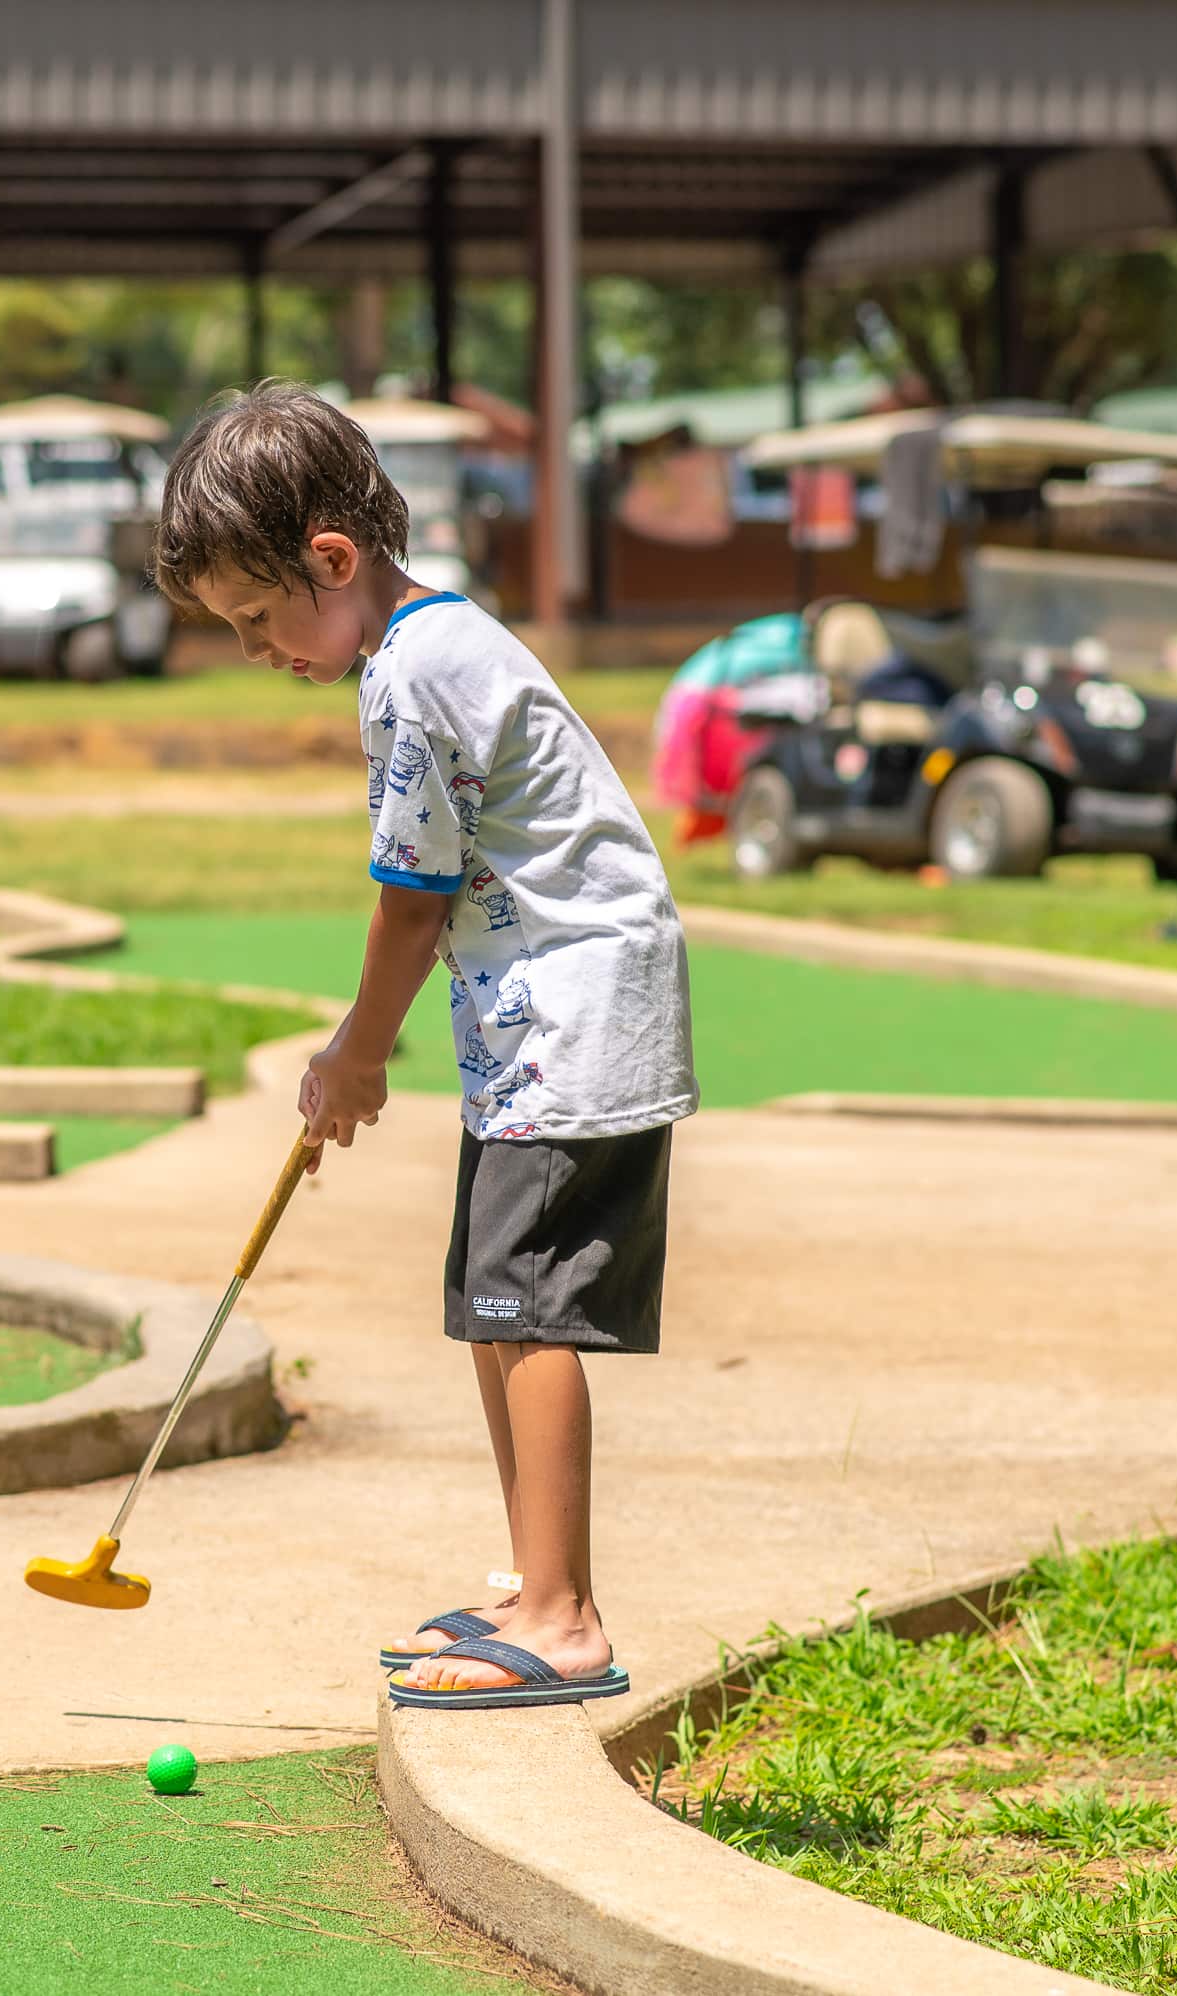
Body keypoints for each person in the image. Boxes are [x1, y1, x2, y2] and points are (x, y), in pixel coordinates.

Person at [155, 383, 698, 1710]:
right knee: (490, 1306)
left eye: (258, 617)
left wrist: (360, 1051)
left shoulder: (413, 677)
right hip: (539, 1030)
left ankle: (564, 1622)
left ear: (332, 561)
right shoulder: (429, 642)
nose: (256, 650)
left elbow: (412, 894)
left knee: (530, 1310)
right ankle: (535, 1575)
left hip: (577, 1023)